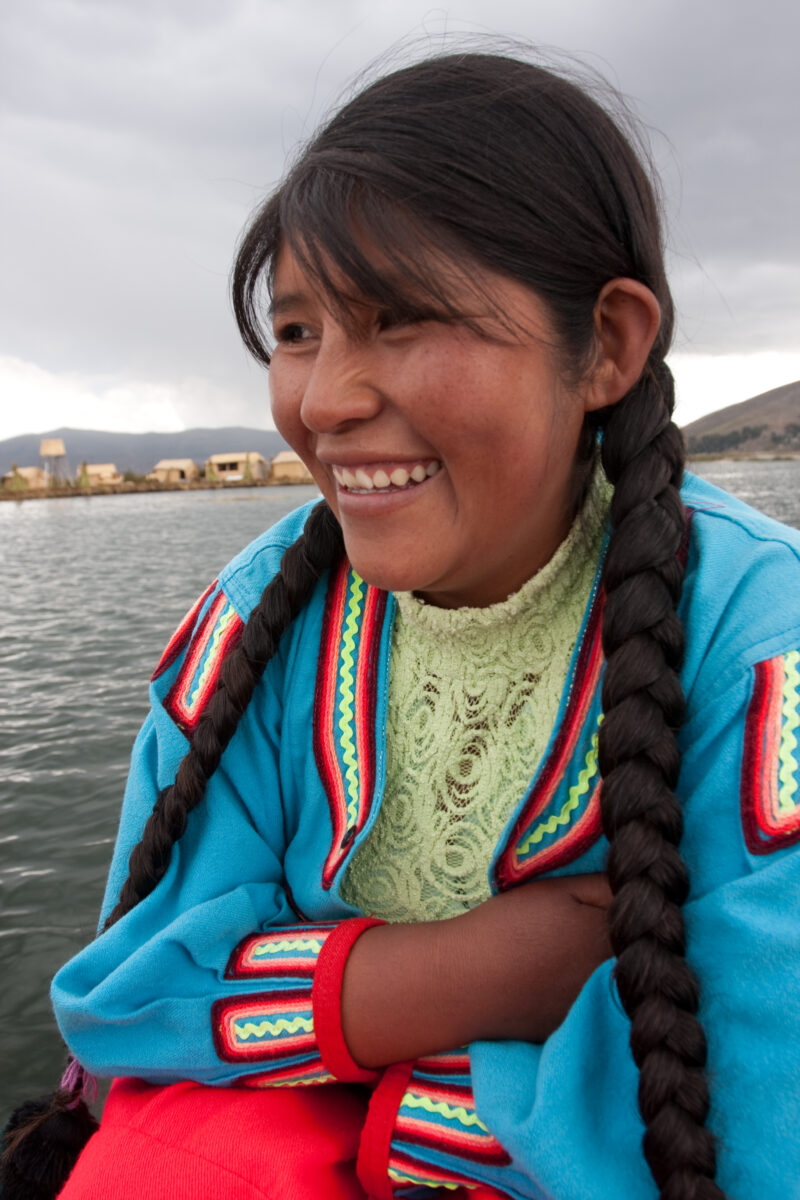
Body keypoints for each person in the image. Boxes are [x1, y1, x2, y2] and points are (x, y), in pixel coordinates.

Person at [4, 50, 800, 1200]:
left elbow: (759, 1115)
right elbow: (122, 994)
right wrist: (482, 974)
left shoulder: (752, 640)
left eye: (404, 318)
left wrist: (369, 1110)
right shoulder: (254, 622)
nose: (322, 401)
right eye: (294, 332)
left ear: (608, 348)